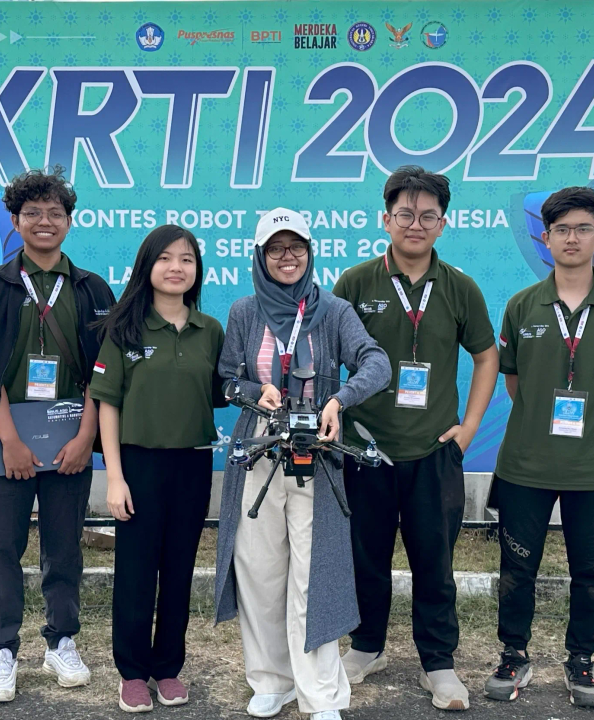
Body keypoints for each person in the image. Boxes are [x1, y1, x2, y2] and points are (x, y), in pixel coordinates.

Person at [0, 167, 115, 702]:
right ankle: (2, 648)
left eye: (55, 214)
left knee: (63, 548)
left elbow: (104, 371)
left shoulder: (91, 288)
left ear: (69, 221)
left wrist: (87, 437)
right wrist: (9, 440)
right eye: (33, 213)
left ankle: (61, 639)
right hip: (6, 442)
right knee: (1, 548)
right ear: (15, 220)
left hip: (70, 442)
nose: (45, 222)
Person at [332, 165, 499, 711]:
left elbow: (485, 354)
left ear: (443, 224)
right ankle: (367, 647)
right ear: (386, 219)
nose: (416, 224)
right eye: (405, 214)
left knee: (435, 561)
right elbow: (329, 353)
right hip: (367, 449)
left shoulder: (459, 287)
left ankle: (438, 663)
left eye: (428, 215)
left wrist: (469, 427)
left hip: (434, 451)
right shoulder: (355, 284)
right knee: (367, 556)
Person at [213, 209, 391, 720]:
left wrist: (339, 400)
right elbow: (225, 380)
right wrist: (254, 391)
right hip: (259, 449)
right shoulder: (245, 311)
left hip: (318, 451)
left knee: (314, 575)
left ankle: (321, 694)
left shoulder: (333, 310)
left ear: (311, 253)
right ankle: (272, 680)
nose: (287, 257)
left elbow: (376, 362)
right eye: (276, 248)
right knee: (260, 569)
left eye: (296, 247)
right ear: (260, 257)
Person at [486, 186, 594, 708]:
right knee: (517, 568)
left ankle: (582, 660)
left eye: (583, 228)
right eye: (561, 229)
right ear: (545, 237)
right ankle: (514, 654)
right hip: (525, 464)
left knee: (591, 573)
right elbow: (514, 383)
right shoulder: (522, 305)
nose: (571, 238)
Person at [89, 225, 227, 713]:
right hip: (139, 465)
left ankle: (167, 667)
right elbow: (107, 404)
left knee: (179, 570)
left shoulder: (209, 330)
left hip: (192, 463)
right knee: (135, 571)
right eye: (166, 258)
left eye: (186, 259)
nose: (176, 267)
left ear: (196, 270)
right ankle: (131, 672)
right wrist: (116, 477)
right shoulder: (124, 329)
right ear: (147, 266)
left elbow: (224, 391)